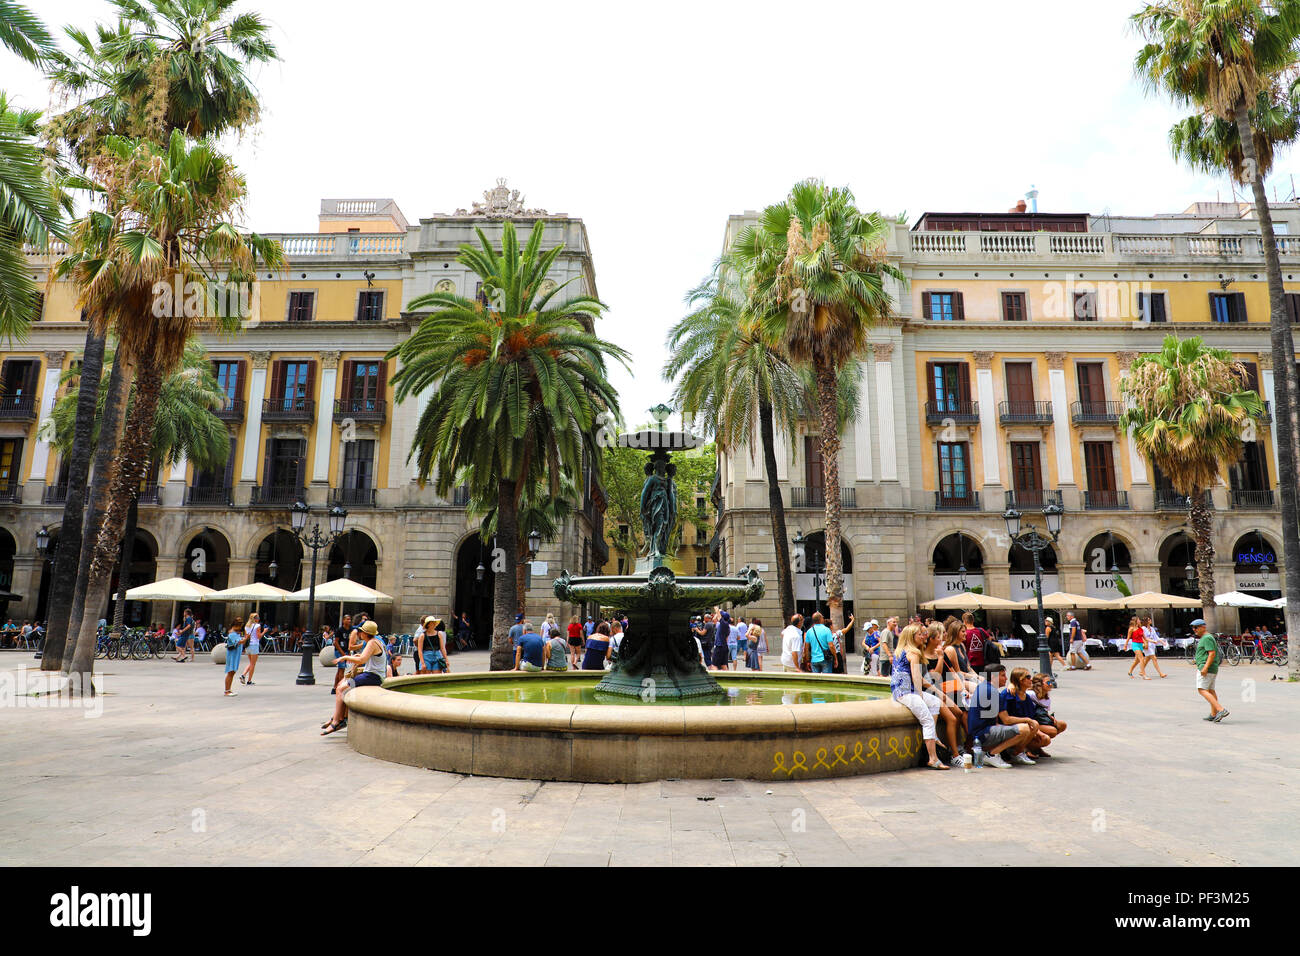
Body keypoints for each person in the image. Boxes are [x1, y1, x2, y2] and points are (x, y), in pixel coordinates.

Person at [889, 624, 949, 771]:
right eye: (920, 635)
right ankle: (933, 759)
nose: (924, 637)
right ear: (911, 637)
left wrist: (936, 692)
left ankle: (933, 736)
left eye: (923, 634)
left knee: (935, 702)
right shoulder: (914, 653)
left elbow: (919, 678)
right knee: (927, 720)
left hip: (899, 691)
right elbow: (916, 678)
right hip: (906, 693)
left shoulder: (901, 651)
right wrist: (920, 697)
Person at [322, 621, 385, 735]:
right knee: (341, 685)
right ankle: (338, 717)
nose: (359, 633)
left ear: (365, 633)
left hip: (372, 677)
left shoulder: (372, 643)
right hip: (370, 675)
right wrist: (356, 656)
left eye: (360, 631)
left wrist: (344, 657)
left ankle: (336, 722)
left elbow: (362, 660)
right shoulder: (374, 641)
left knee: (342, 688)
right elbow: (364, 656)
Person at [966, 665, 1036, 768]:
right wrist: (1027, 720)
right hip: (983, 734)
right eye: (1003, 675)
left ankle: (1011, 753)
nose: (1006, 678)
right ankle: (992, 754)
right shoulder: (992, 692)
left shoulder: (983, 686)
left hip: (980, 732)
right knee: (1025, 729)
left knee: (1024, 727)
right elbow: (1006, 720)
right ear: (994, 677)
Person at [1003, 667, 1052, 759]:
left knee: (1044, 735)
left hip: (1022, 725)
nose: (1031, 679)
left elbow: (1031, 716)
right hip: (1009, 726)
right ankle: (1016, 752)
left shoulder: (1027, 697)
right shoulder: (1009, 694)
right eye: (1028, 677)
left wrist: (1038, 732)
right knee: (1032, 727)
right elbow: (1005, 719)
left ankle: (1022, 750)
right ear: (1020, 680)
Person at [1192, 619, 1228, 722]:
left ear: (1203, 627)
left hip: (1207, 667)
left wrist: (1205, 667)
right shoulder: (1206, 637)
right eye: (1193, 628)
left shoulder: (1207, 638)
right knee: (1210, 690)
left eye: (1196, 627)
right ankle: (1213, 713)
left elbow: (1211, 653)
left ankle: (1220, 709)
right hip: (1211, 668)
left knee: (1202, 689)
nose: (1194, 630)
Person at [222, 617, 247, 697]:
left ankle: (228, 689)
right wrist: (247, 637)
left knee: (232, 672)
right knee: (230, 672)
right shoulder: (232, 634)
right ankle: (226, 691)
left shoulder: (235, 633)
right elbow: (240, 642)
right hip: (232, 655)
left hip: (235, 654)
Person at [239, 612, 262, 686]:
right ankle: (248, 680)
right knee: (253, 664)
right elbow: (259, 636)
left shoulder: (247, 626)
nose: (258, 619)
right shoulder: (257, 626)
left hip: (248, 645)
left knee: (251, 663)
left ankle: (243, 675)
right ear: (254, 619)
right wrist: (264, 631)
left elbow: (246, 637)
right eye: (257, 618)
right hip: (254, 645)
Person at [1126, 615, 1150, 679]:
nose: (1140, 621)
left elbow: (1144, 638)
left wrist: (1148, 642)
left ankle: (1130, 671)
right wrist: (1125, 646)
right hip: (1135, 645)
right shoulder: (1131, 628)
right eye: (1139, 620)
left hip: (1140, 645)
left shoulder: (1141, 629)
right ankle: (1144, 675)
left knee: (1137, 661)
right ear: (1136, 621)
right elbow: (1128, 638)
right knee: (1142, 659)